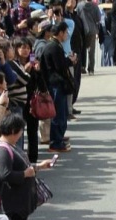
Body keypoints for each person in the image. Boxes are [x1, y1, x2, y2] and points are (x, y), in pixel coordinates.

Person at [41, 22, 76, 153]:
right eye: (66, 32)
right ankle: (56, 142)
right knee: (58, 115)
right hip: (56, 85)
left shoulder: (55, 45)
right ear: (60, 32)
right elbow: (59, 67)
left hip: (57, 84)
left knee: (62, 114)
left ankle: (58, 138)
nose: (67, 35)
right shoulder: (53, 47)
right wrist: (70, 61)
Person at [76, 0, 101, 75]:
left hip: (82, 29)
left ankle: (82, 66)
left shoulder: (79, 5)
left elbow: (77, 16)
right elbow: (98, 18)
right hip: (92, 29)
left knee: (81, 49)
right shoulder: (95, 6)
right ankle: (91, 69)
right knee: (91, 51)